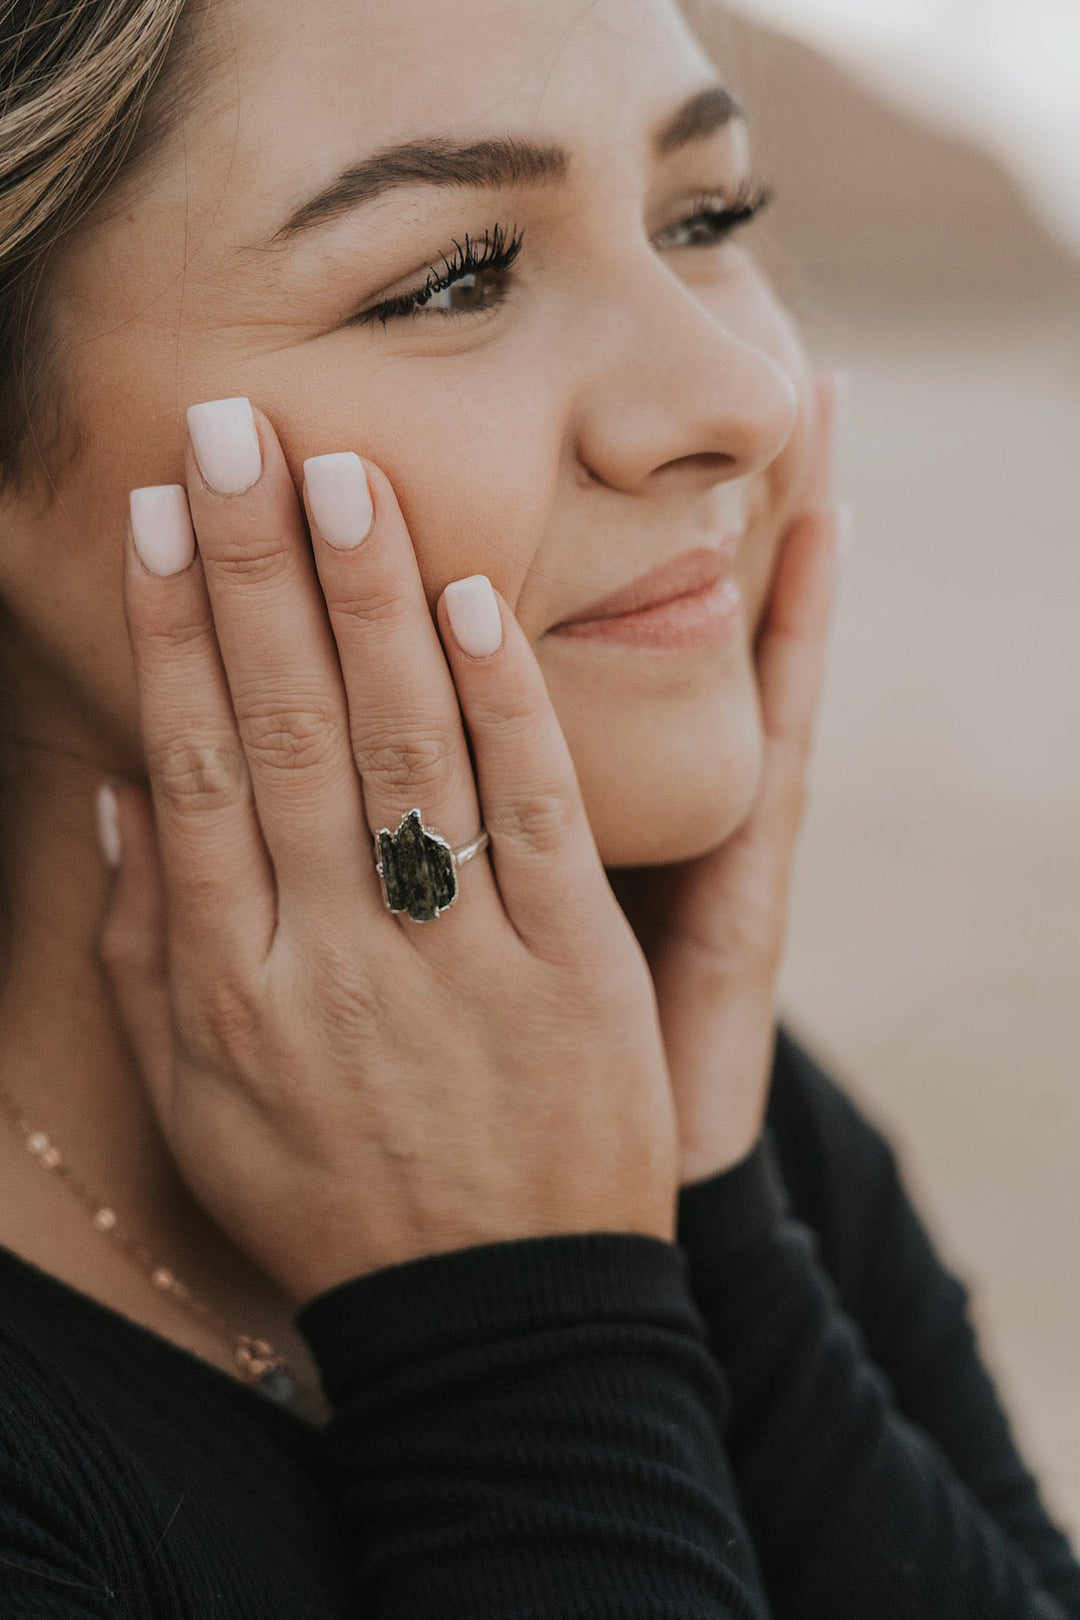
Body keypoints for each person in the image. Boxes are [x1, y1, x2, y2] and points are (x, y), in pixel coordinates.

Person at [0, 0, 1076, 1614]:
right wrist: (525, 1333)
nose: (744, 397)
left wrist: (716, 1231)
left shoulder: (709, 1111)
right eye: (454, 277)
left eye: (703, 217)